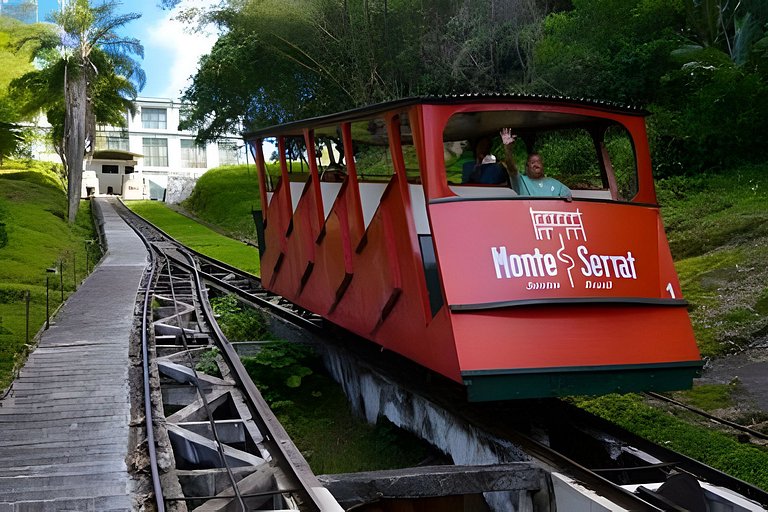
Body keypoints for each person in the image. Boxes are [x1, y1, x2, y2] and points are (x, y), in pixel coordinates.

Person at [501, 128, 571, 198]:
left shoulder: (552, 182)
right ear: (527, 167)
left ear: (542, 165)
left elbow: (567, 195)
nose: (536, 165)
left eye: (538, 162)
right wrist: (508, 149)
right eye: (532, 162)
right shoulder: (521, 181)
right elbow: (511, 168)